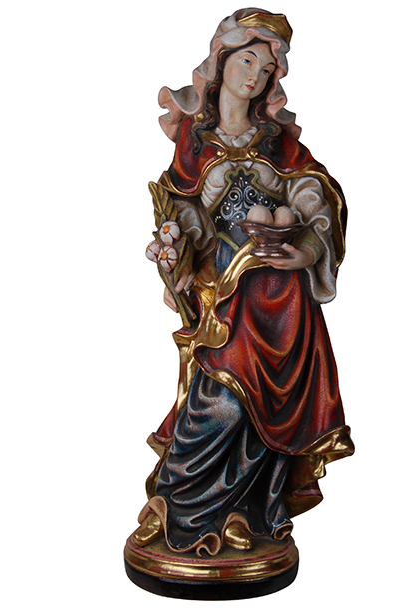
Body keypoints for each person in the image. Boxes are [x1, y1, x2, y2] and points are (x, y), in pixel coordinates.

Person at [133, 8, 354, 558]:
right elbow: (183, 209)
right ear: (222, 60)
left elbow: (316, 196)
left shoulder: (275, 140)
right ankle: (180, 507)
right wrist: (175, 248)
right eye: (247, 60)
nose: (255, 75)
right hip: (227, 295)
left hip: (283, 300)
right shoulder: (196, 139)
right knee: (222, 400)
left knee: (273, 410)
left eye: (267, 68)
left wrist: (305, 249)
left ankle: (248, 512)